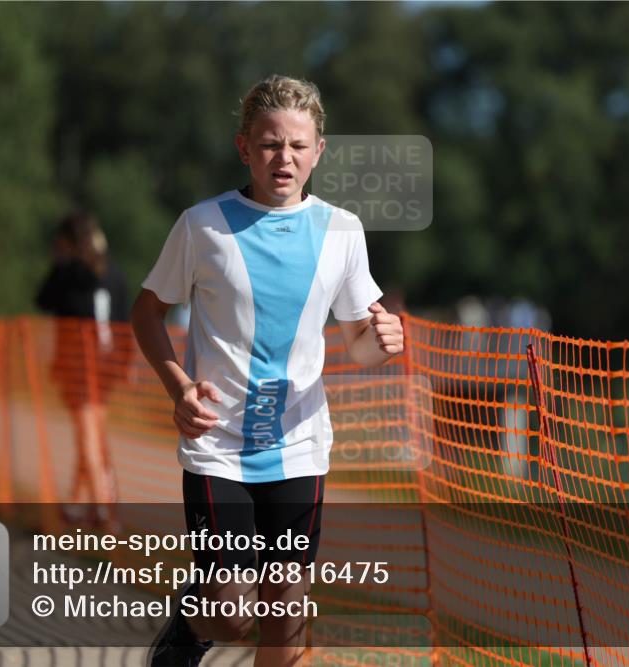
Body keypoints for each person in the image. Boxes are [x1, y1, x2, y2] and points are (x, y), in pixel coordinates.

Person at [133, 75, 404, 666]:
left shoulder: (343, 232)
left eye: (298, 145)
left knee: (285, 611)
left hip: (299, 443)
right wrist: (178, 385)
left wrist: (385, 342)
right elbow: (147, 310)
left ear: (319, 151)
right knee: (231, 613)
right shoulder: (203, 225)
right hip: (218, 444)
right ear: (243, 147)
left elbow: (361, 344)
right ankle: (191, 624)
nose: (284, 158)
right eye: (269, 144)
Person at [36, 211, 131, 527]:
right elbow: (124, 325)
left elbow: (42, 299)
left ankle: (103, 508)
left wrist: (58, 260)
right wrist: (125, 364)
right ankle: (77, 504)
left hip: (78, 367)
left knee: (88, 438)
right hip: (107, 367)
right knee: (93, 436)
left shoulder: (68, 272)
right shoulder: (114, 274)